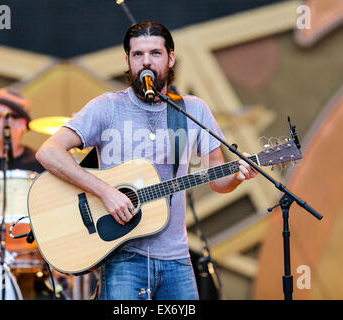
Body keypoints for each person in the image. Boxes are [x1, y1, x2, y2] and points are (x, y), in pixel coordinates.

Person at [35, 21, 258, 300]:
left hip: (176, 258)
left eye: (155, 53)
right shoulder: (107, 107)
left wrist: (238, 175)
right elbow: (48, 152)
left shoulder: (193, 111)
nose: (146, 62)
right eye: (137, 55)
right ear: (127, 60)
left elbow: (217, 179)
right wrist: (105, 191)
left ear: (171, 58)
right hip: (123, 257)